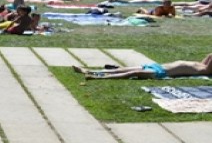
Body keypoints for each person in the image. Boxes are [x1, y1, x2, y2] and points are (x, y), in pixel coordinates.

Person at [72, 53, 212, 80]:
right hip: (157, 66)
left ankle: (96, 77)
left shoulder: (203, 70)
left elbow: (208, 66)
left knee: (132, 73)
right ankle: (89, 70)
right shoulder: (201, 64)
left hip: (161, 73)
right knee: (122, 69)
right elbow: (209, 56)